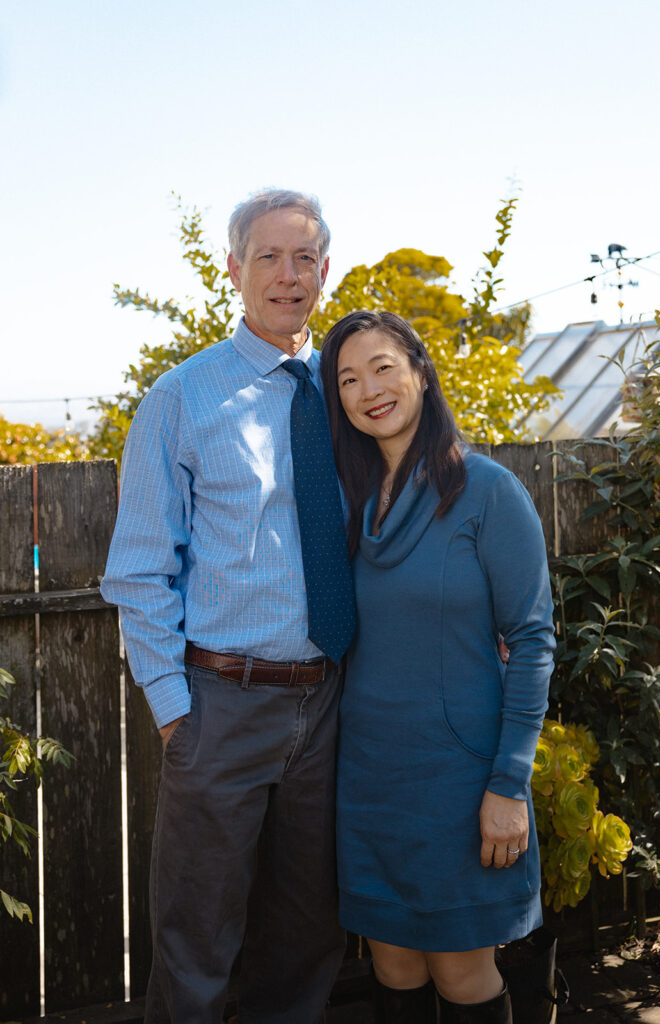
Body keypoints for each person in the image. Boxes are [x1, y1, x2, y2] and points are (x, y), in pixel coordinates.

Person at [101, 189, 356, 1024]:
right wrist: (178, 712)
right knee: (197, 935)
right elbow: (139, 571)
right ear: (233, 270)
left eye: (305, 257)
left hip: (330, 702)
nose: (289, 276)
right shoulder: (182, 399)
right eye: (269, 257)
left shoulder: (348, 393)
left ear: (326, 267)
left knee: (310, 931)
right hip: (221, 702)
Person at [319, 311, 556, 1024]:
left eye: (383, 367)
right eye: (348, 379)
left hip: (461, 778)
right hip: (369, 778)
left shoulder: (485, 491)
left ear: (420, 371)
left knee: (459, 971)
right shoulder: (345, 503)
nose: (369, 390)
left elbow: (533, 640)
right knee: (390, 964)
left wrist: (508, 784)